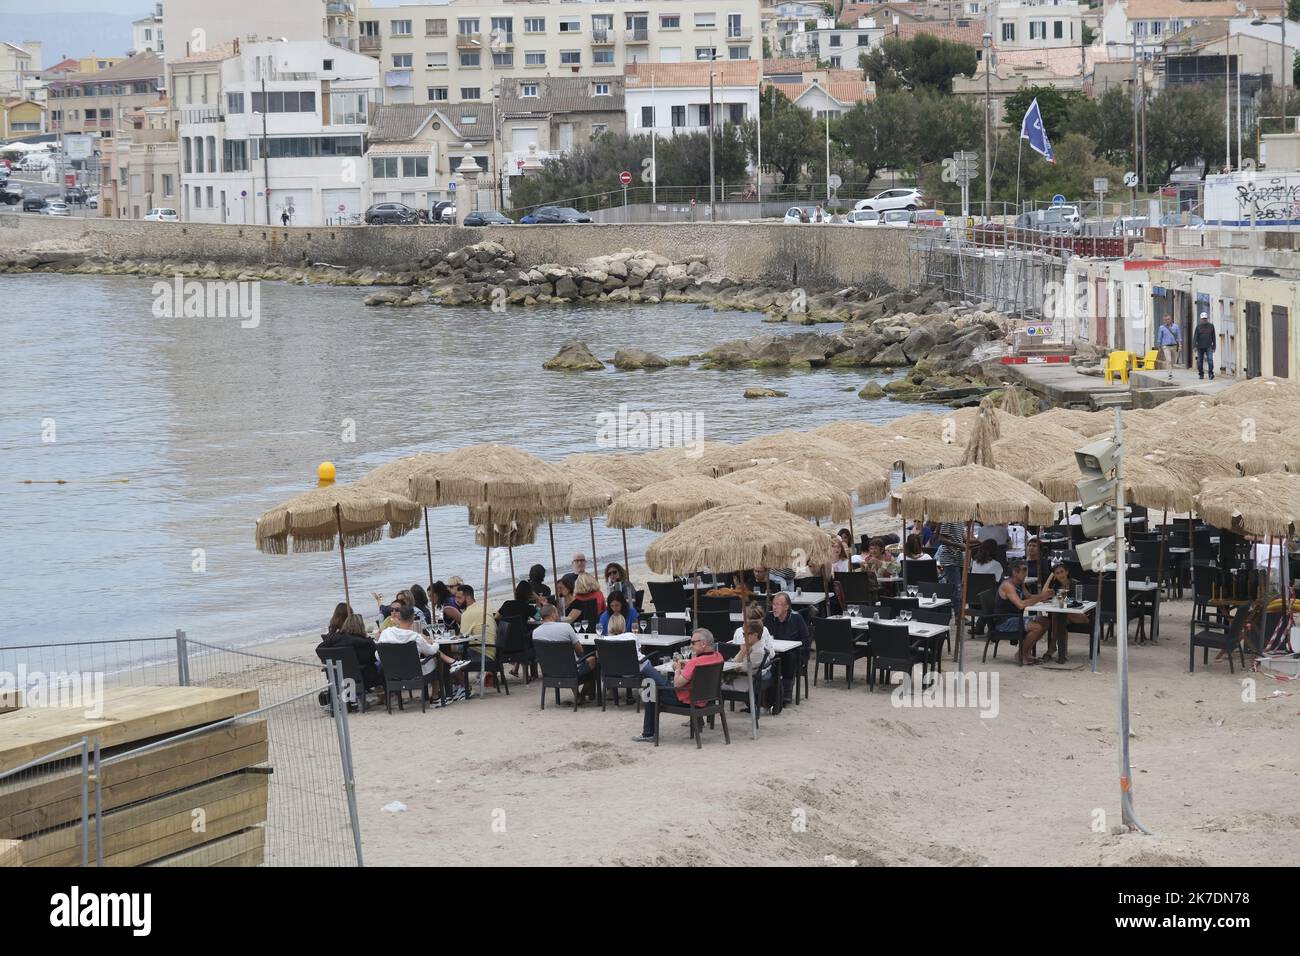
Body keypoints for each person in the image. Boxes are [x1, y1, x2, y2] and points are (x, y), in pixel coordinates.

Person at [632, 628, 725, 743]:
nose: (691, 646)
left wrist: (677, 669)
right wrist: (686, 665)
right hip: (706, 699)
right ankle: (645, 669)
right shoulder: (718, 657)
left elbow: (677, 684)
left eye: (693, 643)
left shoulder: (695, 662)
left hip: (686, 700)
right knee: (653, 685)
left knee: (651, 690)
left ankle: (648, 734)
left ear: (703, 643)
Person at [378, 604, 470, 681]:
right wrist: (433, 642)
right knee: (436, 659)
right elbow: (432, 651)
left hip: (392, 672)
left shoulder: (386, 633)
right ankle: (436, 696)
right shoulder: (414, 636)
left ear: (399, 617)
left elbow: (377, 655)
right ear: (413, 618)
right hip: (414, 672)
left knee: (429, 656)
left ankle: (452, 662)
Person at [993, 561, 1053, 665]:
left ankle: (1026, 652)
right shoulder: (1008, 585)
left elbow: (1029, 597)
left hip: (1016, 617)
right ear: (1015, 572)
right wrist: (1041, 597)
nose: (1026, 572)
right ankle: (1021, 654)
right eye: (1024, 570)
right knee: (1037, 627)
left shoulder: (1020, 583)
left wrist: (1044, 597)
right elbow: (1020, 604)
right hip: (1004, 621)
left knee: (1046, 621)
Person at [319, 608, 382, 693]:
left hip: (338, 674)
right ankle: (382, 694)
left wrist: (327, 662)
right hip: (363, 676)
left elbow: (319, 649)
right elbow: (374, 658)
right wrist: (374, 640)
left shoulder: (336, 637)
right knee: (381, 665)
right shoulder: (365, 642)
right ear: (361, 626)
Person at [532, 604, 598, 682]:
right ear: (553, 614)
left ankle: (578, 693)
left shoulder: (535, 632)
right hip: (570, 670)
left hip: (550, 671)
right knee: (593, 659)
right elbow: (579, 651)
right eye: (557, 612)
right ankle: (582, 693)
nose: (558, 615)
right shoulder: (566, 627)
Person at [765, 591, 809, 704]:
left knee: (789, 657)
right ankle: (768, 691)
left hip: (795, 654)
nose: (774, 607)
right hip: (775, 652)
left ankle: (786, 692)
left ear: (786, 607)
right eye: (773, 604)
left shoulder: (796, 618)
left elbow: (805, 639)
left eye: (778, 604)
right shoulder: (769, 617)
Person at [1042, 563, 1089, 660]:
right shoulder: (1056, 585)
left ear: (1067, 572)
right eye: (1057, 573)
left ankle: (1053, 648)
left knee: (1058, 615)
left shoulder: (1075, 584)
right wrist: (1050, 577)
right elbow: (1043, 596)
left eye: (1062, 572)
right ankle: (1062, 653)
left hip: (1081, 616)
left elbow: (1082, 603)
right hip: (1065, 617)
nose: (1060, 575)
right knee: (1059, 617)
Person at [456, 583, 497, 667]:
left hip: (482, 654)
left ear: (468, 597)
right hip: (493, 650)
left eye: (459, 598)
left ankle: (459, 680)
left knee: (448, 652)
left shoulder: (467, 613)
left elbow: (462, 638)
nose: (457, 601)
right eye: (456, 598)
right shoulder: (484, 606)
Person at [935, 520, 968, 588]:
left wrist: (979, 541)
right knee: (955, 590)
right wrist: (959, 545)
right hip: (950, 559)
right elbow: (941, 538)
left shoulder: (960, 521)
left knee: (958, 589)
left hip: (958, 559)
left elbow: (964, 538)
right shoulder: (949, 519)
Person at [1194, 311, 1216, 380]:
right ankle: (1201, 374)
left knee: (1210, 360)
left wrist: (1214, 346)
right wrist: (1194, 346)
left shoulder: (1211, 326)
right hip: (1200, 347)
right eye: (1203, 319)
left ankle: (1210, 373)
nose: (1204, 320)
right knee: (1199, 361)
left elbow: (1213, 337)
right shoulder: (1198, 327)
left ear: (1207, 318)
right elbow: (1195, 337)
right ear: (1201, 319)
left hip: (1209, 346)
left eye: (1205, 318)